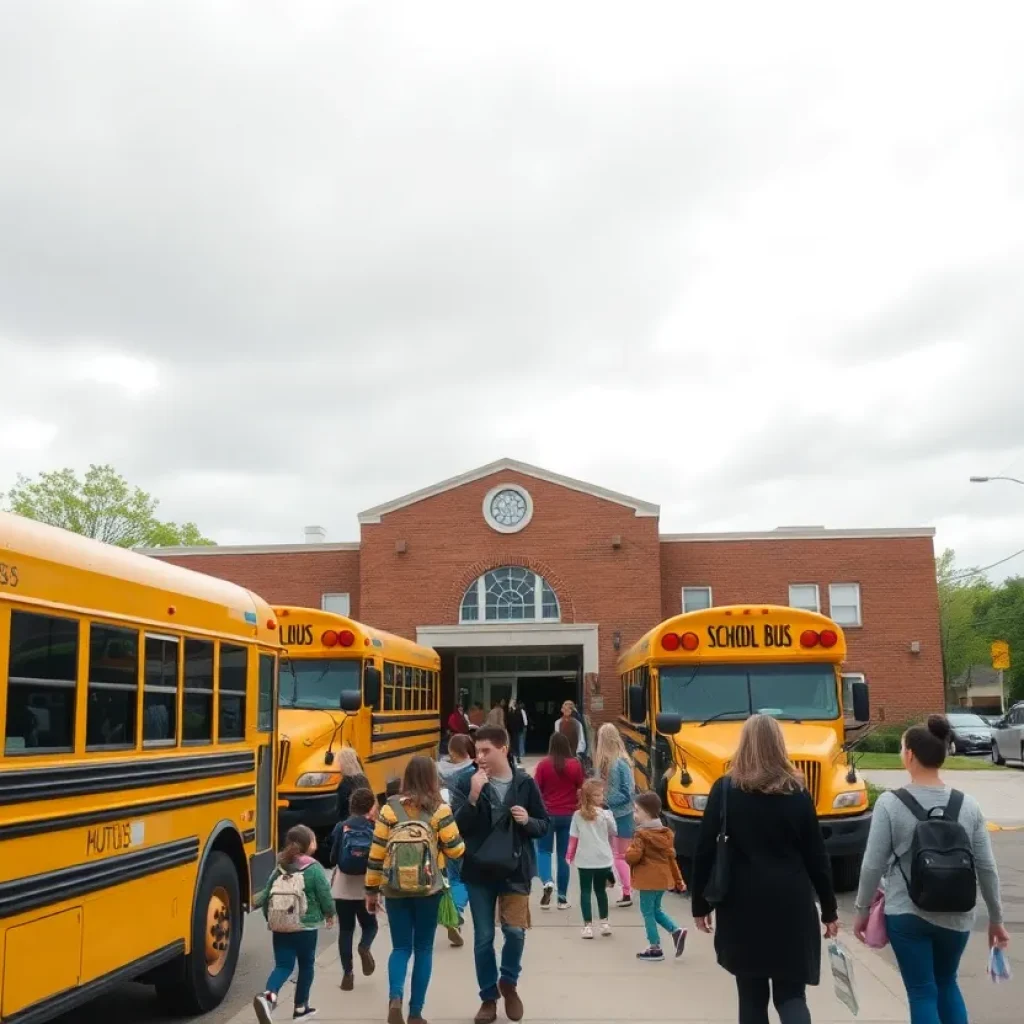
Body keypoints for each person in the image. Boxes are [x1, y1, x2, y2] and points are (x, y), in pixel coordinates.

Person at [853, 714, 1008, 1024]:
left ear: (909, 755)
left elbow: (872, 864)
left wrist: (861, 910)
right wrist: (996, 919)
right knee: (947, 983)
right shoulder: (969, 806)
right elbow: (987, 867)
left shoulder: (889, 804)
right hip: (957, 916)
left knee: (922, 991)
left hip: (906, 913)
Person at [690, 714, 839, 1024]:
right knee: (791, 995)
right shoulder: (797, 793)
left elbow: (704, 849)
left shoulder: (725, 790)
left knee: (751, 996)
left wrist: (700, 903)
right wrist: (829, 909)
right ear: (779, 746)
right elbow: (816, 856)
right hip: (791, 903)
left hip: (741, 904)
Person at [451, 725, 550, 1024]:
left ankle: (508, 980)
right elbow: (457, 827)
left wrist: (527, 821)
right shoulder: (465, 781)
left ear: (504, 749)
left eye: (486, 751)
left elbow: (543, 824)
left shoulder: (524, 783)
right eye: (476, 751)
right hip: (479, 870)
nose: (479, 757)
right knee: (483, 938)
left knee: (515, 932)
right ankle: (488, 999)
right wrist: (473, 796)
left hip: (515, 869)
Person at [365, 755, 465, 1024]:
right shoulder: (440, 810)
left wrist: (371, 891)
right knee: (423, 949)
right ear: (433, 778)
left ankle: (395, 996)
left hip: (395, 890)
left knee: (400, 948)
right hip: (428, 890)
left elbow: (376, 854)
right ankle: (416, 1013)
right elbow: (456, 849)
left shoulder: (389, 810)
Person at [253, 824, 336, 1024]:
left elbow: (265, 897)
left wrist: (272, 920)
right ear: (308, 845)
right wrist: (330, 914)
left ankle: (268, 998)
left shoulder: (279, 867)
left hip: (280, 927)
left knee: (283, 965)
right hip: (305, 927)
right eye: (314, 839)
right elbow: (324, 893)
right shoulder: (314, 868)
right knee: (306, 965)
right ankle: (300, 1008)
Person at [625, 792, 687, 962]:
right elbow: (671, 859)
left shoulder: (641, 835)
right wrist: (678, 880)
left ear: (647, 813)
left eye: (637, 810)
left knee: (647, 913)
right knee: (656, 910)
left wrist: (628, 852)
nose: (634, 814)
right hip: (662, 880)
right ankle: (676, 931)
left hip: (647, 881)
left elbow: (633, 857)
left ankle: (655, 947)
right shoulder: (666, 834)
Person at [328, 787, 379, 991]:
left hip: (343, 886)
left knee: (346, 930)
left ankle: (347, 974)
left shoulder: (342, 826)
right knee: (371, 926)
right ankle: (364, 946)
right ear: (370, 807)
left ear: (351, 806)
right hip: (367, 886)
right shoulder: (374, 827)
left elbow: (332, 857)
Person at [534, 731, 584, 910]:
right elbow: (581, 787)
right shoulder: (575, 765)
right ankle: (562, 898)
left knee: (543, 852)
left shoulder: (543, 765)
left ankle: (547, 881)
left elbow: (536, 790)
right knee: (564, 857)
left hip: (547, 814)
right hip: (569, 816)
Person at [437, 733, 477, 946]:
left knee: (452, 876)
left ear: (451, 751)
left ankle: (452, 914)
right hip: (469, 831)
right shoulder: (474, 772)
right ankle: (458, 910)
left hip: (445, 829)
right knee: (466, 877)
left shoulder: (440, 772)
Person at [566, 777, 616, 939]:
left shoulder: (577, 815)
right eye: (599, 795)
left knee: (585, 891)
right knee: (601, 891)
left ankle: (587, 926)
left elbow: (573, 838)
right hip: (603, 857)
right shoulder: (606, 814)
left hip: (584, 859)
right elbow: (614, 832)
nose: (602, 797)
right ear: (591, 797)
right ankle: (604, 923)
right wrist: (608, 818)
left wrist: (569, 856)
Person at [595, 723, 636, 909]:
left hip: (617, 813)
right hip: (619, 813)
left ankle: (627, 890)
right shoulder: (621, 761)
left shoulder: (615, 763)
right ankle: (620, 885)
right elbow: (629, 791)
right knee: (615, 853)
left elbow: (627, 792)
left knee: (618, 855)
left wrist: (605, 799)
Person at [335, 746, 371, 821]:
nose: (338, 766)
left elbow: (340, 809)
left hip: (350, 822)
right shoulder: (363, 778)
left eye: (339, 762)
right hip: (366, 820)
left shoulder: (345, 783)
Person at [506, 699, 527, 765]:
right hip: (510, 730)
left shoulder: (519, 711)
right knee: (511, 744)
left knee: (517, 743)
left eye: (512, 702)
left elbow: (522, 720)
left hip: (517, 729)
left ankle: (517, 757)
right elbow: (508, 720)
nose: (511, 704)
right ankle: (512, 757)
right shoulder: (509, 711)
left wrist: (523, 727)